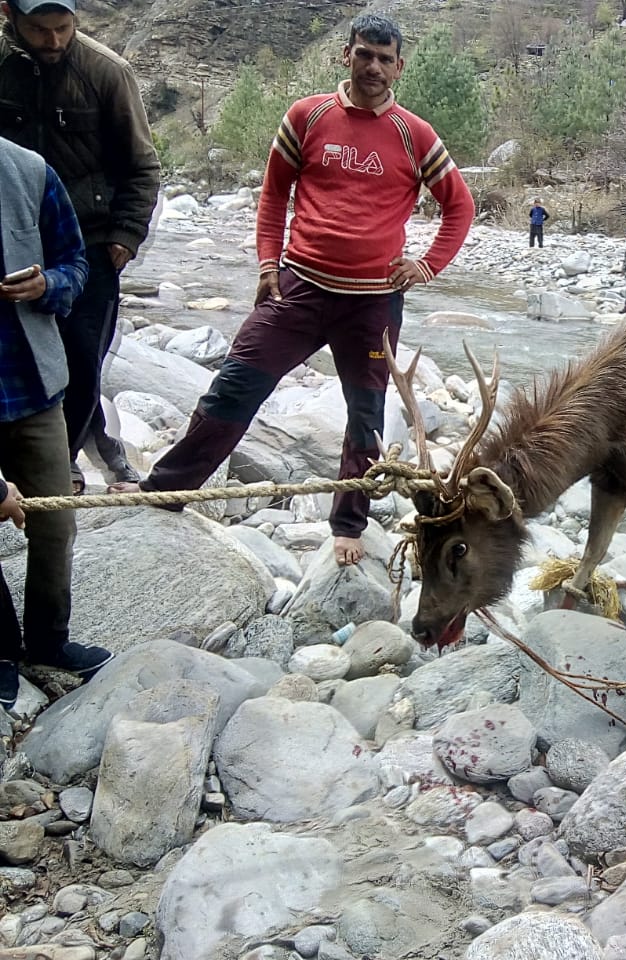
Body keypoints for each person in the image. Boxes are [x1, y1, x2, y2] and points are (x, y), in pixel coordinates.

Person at [110, 13, 475, 568]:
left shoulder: (414, 133)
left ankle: (348, 525)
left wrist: (426, 266)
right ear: (345, 55)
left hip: (372, 304)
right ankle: (167, 489)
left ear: (399, 66)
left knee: (366, 416)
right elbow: (274, 197)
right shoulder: (307, 117)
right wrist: (265, 267)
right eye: (363, 54)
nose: (372, 66)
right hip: (298, 288)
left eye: (384, 57)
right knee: (234, 386)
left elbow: (460, 206)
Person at [0, 0, 161, 495]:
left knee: (82, 361)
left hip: (90, 244)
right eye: (39, 29)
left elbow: (142, 166)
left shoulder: (107, 72)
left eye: (63, 28)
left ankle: (63, 461)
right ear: (9, 15)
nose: (53, 41)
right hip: (10, 239)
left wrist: (124, 238)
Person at [0, 134, 113, 711]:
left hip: (31, 383)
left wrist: (48, 285)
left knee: (54, 525)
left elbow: (77, 264)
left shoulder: (28, 170)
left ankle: (48, 642)